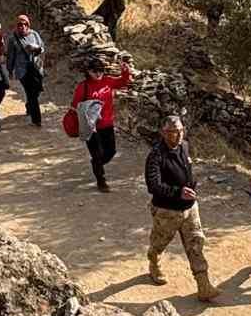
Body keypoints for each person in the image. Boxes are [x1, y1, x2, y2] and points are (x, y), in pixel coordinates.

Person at [144, 115, 221, 302]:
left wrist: (191, 187)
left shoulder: (185, 146)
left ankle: (204, 286)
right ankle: (154, 261)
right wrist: (178, 192)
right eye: (172, 132)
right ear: (164, 133)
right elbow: (153, 186)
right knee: (159, 242)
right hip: (167, 211)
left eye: (180, 130)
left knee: (196, 244)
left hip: (190, 208)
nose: (178, 135)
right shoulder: (155, 156)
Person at [71, 54, 133, 191]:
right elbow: (76, 106)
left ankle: (96, 164)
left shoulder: (108, 81)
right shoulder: (83, 87)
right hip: (91, 127)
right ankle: (101, 180)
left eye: (100, 70)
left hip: (107, 124)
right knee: (97, 153)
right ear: (88, 71)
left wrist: (125, 70)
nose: (98, 73)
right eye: (95, 71)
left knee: (110, 151)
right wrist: (86, 120)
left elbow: (123, 82)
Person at [5, 14, 46, 128]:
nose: (22, 27)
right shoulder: (13, 39)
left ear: (28, 25)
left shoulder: (34, 34)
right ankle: (36, 120)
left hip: (36, 68)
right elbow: (10, 57)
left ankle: (29, 106)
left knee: (36, 91)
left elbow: (42, 48)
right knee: (32, 94)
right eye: (19, 25)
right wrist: (10, 70)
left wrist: (36, 48)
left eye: (24, 24)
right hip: (22, 70)